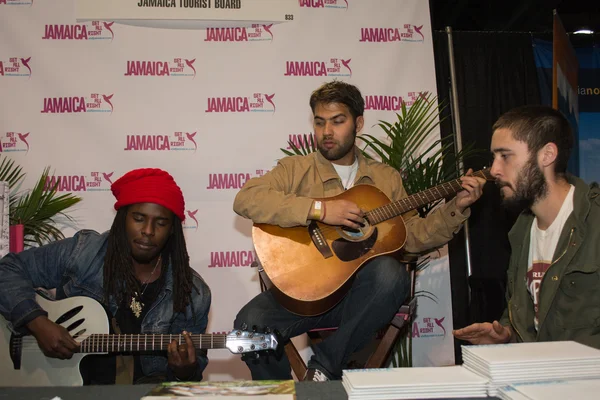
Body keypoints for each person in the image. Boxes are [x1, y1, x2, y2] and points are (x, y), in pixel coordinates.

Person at [232, 80, 486, 381]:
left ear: (359, 123)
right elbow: (246, 199)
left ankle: (324, 367)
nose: (327, 132)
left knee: (390, 275)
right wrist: (320, 210)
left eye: (338, 121)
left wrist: (455, 207)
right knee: (247, 328)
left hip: (364, 300)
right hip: (306, 295)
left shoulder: (385, 178)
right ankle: (282, 393)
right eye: (320, 122)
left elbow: (413, 235)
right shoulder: (294, 169)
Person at [0, 168, 211, 384]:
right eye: (139, 218)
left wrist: (184, 371)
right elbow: (7, 269)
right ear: (122, 219)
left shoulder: (192, 292)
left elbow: (191, 372)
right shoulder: (84, 252)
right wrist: (36, 321)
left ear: (173, 230)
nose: (148, 230)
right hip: (64, 387)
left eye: (161, 223)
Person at [453, 105, 600, 349]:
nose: (493, 170)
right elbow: (535, 323)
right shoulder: (521, 230)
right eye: (494, 157)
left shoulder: (594, 220)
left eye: (505, 156)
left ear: (547, 155)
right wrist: (506, 334)